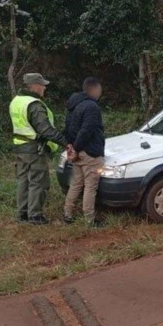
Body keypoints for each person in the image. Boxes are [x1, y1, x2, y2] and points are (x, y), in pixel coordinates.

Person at [10, 73, 74, 225]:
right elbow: (45, 130)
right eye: (43, 85)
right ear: (35, 86)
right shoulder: (35, 105)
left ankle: (22, 215)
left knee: (23, 181)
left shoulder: (17, 100)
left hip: (20, 147)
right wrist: (66, 142)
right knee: (38, 182)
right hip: (34, 149)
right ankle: (35, 217)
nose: (45, 87)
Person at [63, 77, 106, 227]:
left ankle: (67, 214)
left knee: (76, 183)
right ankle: (89, 219)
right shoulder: (92, 107)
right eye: (100, 90)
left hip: (76, 152)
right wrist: (77, 147)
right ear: (94, 90)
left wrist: (70, 147)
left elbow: (67, 129)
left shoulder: (73, 105)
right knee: (90, 186)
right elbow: (87, 130)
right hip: (90, 152)